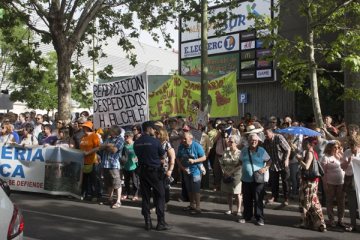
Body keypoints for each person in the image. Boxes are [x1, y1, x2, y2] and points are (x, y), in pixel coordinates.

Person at [134, 121, 171, 231]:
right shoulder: (155, 141)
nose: (155, 130)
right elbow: (162, 156)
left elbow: (138, 155)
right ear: (149, 129)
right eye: (153, 128)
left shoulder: (137, 142)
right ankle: (161, 223)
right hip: (155, 172)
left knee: (145, 197)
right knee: (160, 196)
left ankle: (148, 222)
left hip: (143, 171)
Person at [239, 133, 271, 226]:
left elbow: (269, 160)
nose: (253, 142)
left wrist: (265, 168)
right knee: (246, 199)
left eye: (255, 141)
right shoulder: (244, 150)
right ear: (248, 141)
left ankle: (260, 218)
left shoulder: (261, 150)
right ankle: (246, 217)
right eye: (252, 140)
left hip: (258, 179)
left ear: (258, 142)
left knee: (258, 199)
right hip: (245, 179)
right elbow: (240, 161)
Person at [297, 137, 326, 232]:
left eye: (304, 142)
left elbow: (306, 166)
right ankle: (318, 223)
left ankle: (307, 222)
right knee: (313, 201)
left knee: (307, 202)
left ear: (309, 144)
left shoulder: (309, 153)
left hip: (309, 182)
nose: (302, 144)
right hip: (312, 181)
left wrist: (299, 160)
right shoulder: (312, 152)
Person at [176, 131, 206, 214]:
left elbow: (204, 157)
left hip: (196, 170)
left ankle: (198, 207)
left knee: (196, 189)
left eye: (185, 139)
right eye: (182, 139)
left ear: (191, 138)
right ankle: (192, 204)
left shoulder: (196, 146)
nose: (183, 140)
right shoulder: (181, 146)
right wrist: (182, 168)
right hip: (186, 170)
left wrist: (194, 160)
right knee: (189, 188)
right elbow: (177, 158)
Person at [263, 127, 291, 205]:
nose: (265, 136)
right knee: (274, 182)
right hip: (273, 164)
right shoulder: (266, 141)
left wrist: (286, 159)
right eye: (264, 134)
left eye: (267, 134)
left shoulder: (279, 137)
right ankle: (274, 196)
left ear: (272, 133)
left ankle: (286, 198)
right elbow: (264, 152)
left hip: (282, 162)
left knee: (285, 181)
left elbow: (288, 149)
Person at [321, 140, 345, 228]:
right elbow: (323, 173)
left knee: (341, 202)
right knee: (330, 201)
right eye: (335, 147)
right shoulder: (325, 157)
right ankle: (331, 220)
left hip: (341, 182)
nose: (336, 149)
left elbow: (346, 166)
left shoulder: (339, 156)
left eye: (338, 147)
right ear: (330, 147)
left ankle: (340, 220)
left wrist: (341, 154)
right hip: (330, 183)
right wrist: (325, 184)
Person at [100, 125, 124, 209]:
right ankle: (109, 198)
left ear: (115, 131)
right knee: (108, 182)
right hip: (105, 164)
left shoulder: (120, 139)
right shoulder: (109, 138)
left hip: (113, 164)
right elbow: (101, 147)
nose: (109, 131)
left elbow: (115, 150)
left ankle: (118, 201)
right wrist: (108, 145)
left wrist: (106, 146)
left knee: (117, 182)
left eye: (111, 130)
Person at [219, 135, 242, 217]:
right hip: (226, 174)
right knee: (228, 193)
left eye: (231, 141)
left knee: (237, 193)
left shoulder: (240, 153)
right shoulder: (226, 151)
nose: (229, 143)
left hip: (236, 175)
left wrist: (231, 171)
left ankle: (238, 210)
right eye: (229, 141)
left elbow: (240, 165)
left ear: (236, 143)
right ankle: (230, 209)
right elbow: (221, 163)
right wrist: (225, 171)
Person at [341, 136, 360, 232]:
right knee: (352, 204)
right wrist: (348, 162)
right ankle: (353, 224)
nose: (353, 149)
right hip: (350, 179)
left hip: (359, 180)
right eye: (351, 146)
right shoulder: (347, 152)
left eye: (354, 146)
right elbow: (342, 167)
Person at [80, 121, 101, 201]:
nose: (83, 128)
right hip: (83, 161)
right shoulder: (83, 137)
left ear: (88, 128)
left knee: (93, 179)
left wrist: (88, 152)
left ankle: (94, 195)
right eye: (83, 127)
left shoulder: (94, 136)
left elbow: (98, 147)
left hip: (93, 161)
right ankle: (83, 194)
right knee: (84, 179)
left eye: (84, 127)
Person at [155, 127, 175, 206]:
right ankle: (157, 203)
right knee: (157, 186)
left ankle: (164, 203)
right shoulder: (156, 143)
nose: (156, 135)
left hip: (164, 168)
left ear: (162, 134)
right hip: (156, 167)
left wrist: (170, 170)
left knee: (164, 187)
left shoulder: (167, 144)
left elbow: (172, 158)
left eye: (158, 134)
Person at [122, 131, 140, 201]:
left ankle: (135, 194)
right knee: (126, 181)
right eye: (124, 136)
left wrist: (137, 159)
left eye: (126, 136)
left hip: (134, 166)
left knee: (135, 181)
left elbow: (139, 154)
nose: (125, 138)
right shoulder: (124, 146)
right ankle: (126, 193)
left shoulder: (135, 145)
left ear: (131, 137)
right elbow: (122, 155)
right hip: (126, 166)